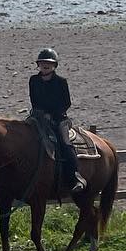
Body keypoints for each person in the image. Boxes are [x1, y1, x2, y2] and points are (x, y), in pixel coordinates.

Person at [29, 48, 85, 197]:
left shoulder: (61, 82)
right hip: (39, 116)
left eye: (49, 63)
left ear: (54, 65)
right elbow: (34, 100)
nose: (45, 65)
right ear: (38, 65)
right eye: (42, 63)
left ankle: (75, 176)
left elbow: (66, 102)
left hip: (59, 118)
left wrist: (52, 115)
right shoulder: (33, 80)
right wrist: (40, 114)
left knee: (64, 142)